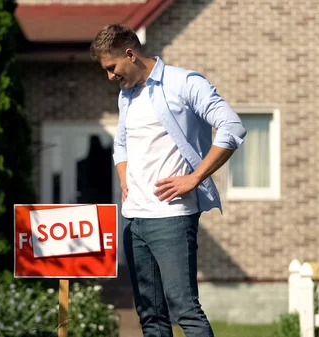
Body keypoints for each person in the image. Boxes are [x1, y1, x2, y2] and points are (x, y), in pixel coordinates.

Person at [90, 24, 246, 337]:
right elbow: (121, 144)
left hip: (171, 218)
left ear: (130, 54)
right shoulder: (127, 95)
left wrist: (195, 177)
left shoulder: (183, 82)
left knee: (185, 311)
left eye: (112, 67)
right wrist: (124, 179)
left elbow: (232, 127)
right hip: (134, 219)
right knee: (150, 317)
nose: (109, 77)